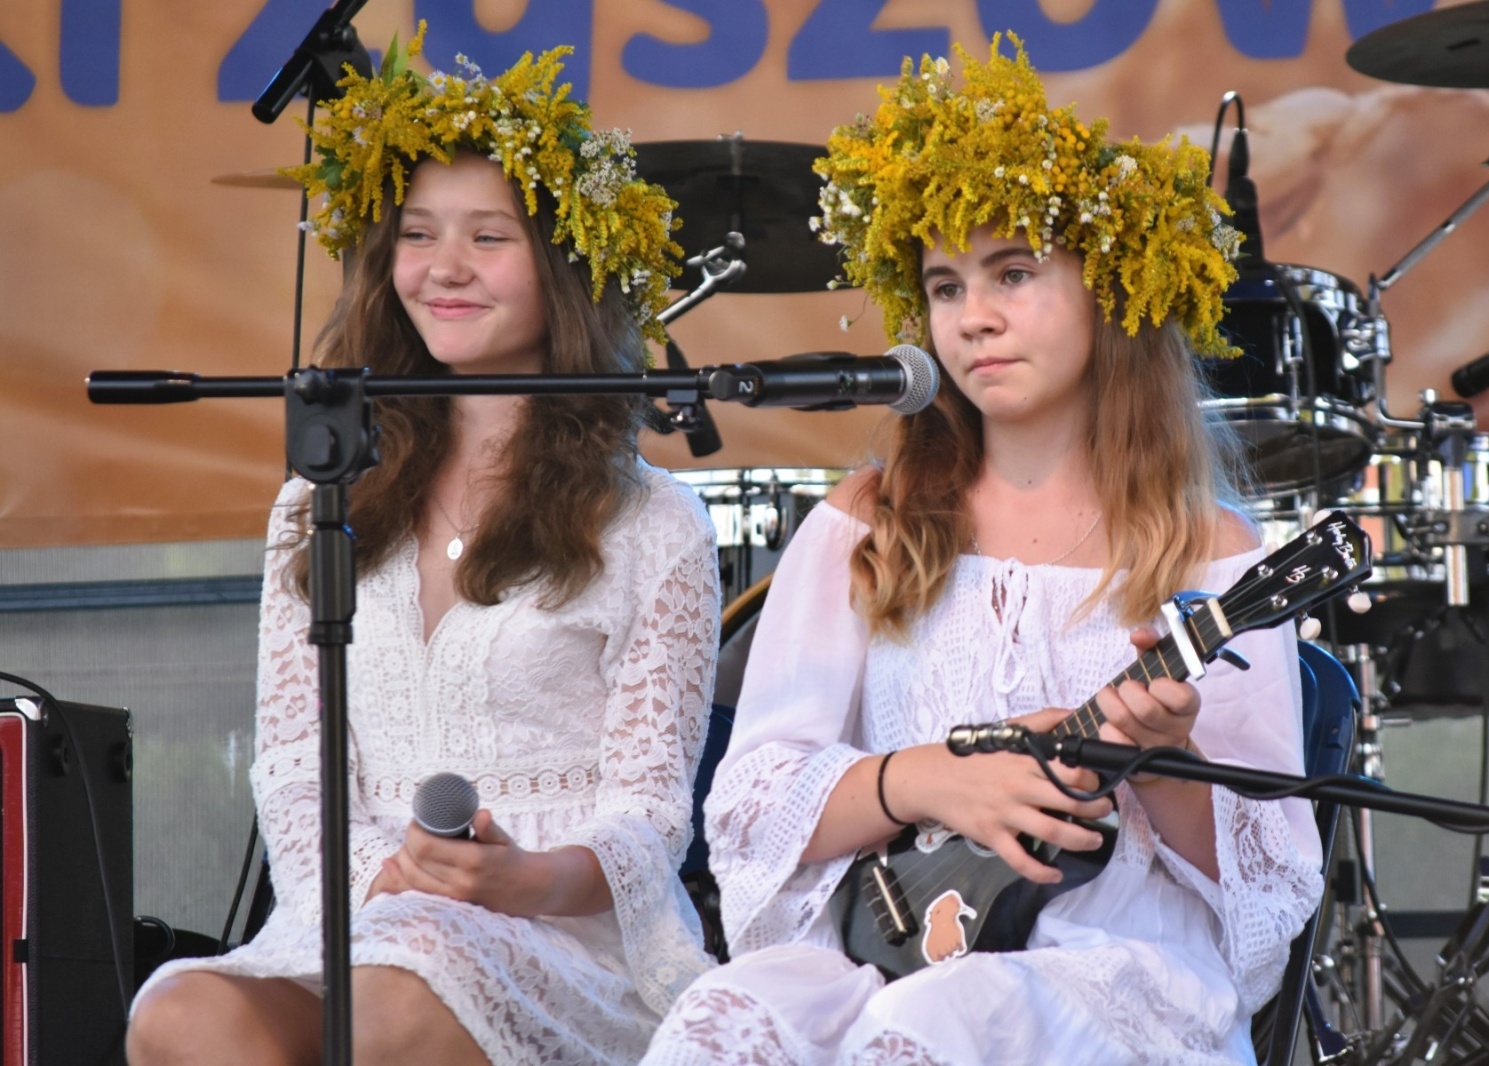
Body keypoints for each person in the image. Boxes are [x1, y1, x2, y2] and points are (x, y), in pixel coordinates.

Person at [642, 37, 1324, 1066]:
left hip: (1114, 970)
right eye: (946, 286)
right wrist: (924, 781)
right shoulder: (870, 522)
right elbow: (746, 802)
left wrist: (1170, 761)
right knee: (717, 1023)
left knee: (938, 1026)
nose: (975, 318)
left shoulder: (1208, 549)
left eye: (1013, 272)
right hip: (890, 948)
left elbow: (1266, 884)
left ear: (1109, 289)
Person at [125, 27, 719, 1066]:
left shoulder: (653, 520)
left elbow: (651, 812)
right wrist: (386, 881)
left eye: (489, 237)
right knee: (180, 1017)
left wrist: (523, 878)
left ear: (563, 266)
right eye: (416, 234)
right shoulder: (316, 504)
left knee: (395, 1004)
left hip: (566, 942)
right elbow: (296, 770)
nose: (443, 268)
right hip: (363, 918)